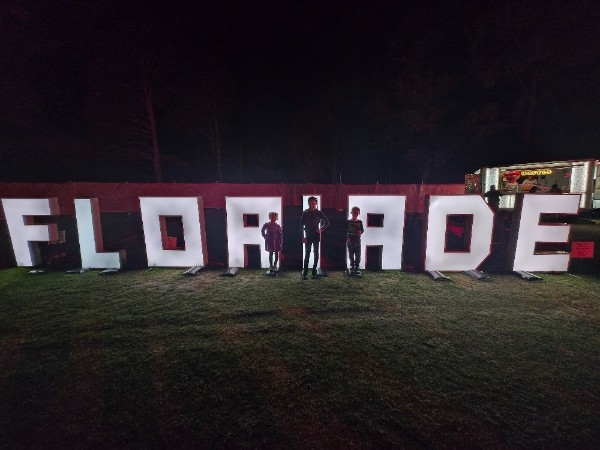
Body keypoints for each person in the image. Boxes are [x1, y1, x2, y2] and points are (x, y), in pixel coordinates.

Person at [300, 196, 329, 279]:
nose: (311, 205)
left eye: (313, 203)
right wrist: (303, 236)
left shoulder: (319, 213)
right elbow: (301, 225)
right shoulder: (305, 213)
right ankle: (305, 273)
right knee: (307, 254)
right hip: (308, 235)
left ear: (316, 203)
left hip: (316, 235)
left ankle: (313, 272)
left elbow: (327, 222)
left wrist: (321, 229)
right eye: (310, 203)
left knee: (316, 254)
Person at [346, 206, 364, 275]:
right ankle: (352, 266)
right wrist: (347, 238)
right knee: (351, 254)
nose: (355, 214)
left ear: (358, 213)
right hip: (350, 239)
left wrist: (360, 232)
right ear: (352, 213)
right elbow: (345, 231)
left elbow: (362, 230)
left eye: (357, 213)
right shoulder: (348, 222)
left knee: (358, 254)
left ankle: (357, 266)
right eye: (354, 213)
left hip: (357, 239)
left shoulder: (360, 222)